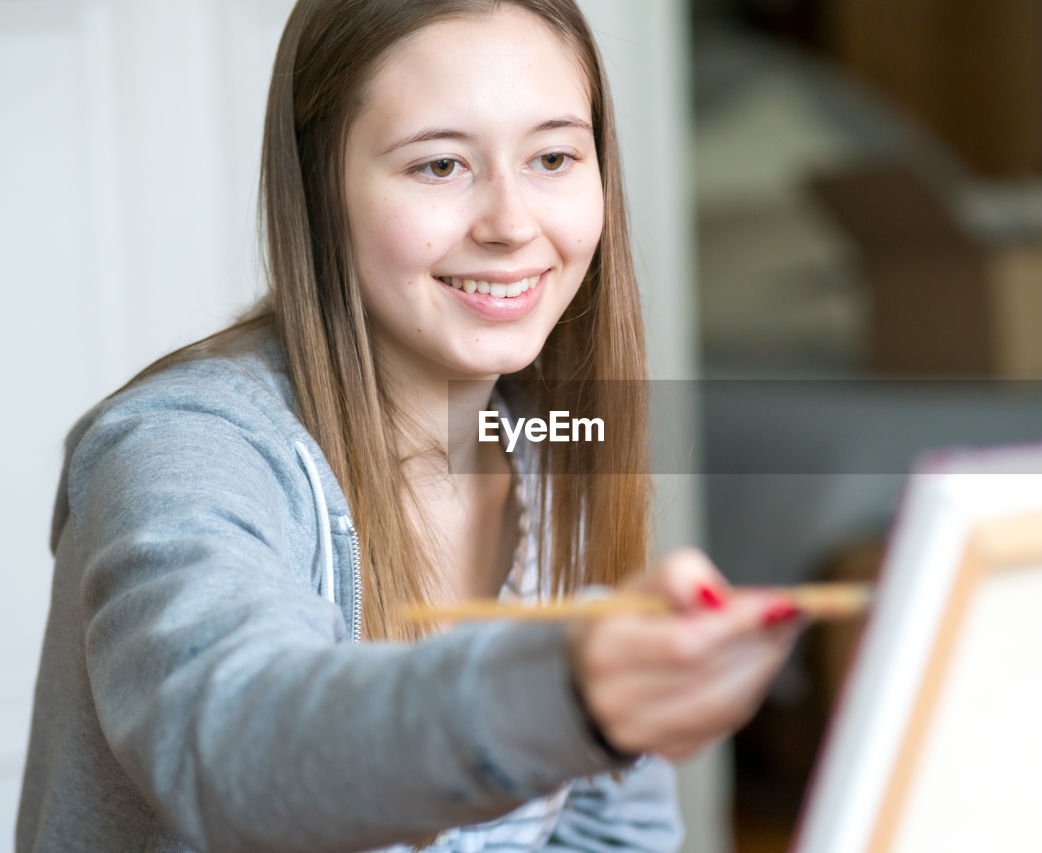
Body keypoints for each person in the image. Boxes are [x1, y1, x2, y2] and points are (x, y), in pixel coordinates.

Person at [16, 1, 806, 850]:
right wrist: (569, 689)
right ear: (322, 190)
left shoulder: (553, 453)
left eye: (552, 156)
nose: (511, 224)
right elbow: (235, 741)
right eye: (439, 166)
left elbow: (610, 831)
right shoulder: (184, 449)